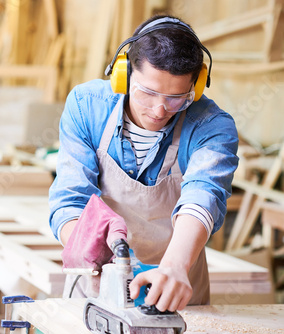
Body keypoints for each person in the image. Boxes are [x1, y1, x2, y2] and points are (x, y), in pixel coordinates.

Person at [49, 15, 239, 312]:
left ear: (196, 87)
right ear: (123, 74)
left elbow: (204, 195)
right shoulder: (87, 106)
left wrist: (175, 266)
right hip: (98, 284)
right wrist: (89, 249)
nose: (159, 109)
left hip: (176, 287)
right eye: (147, 93)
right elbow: (70, 199)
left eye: (177, 98)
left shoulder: (211, 125)